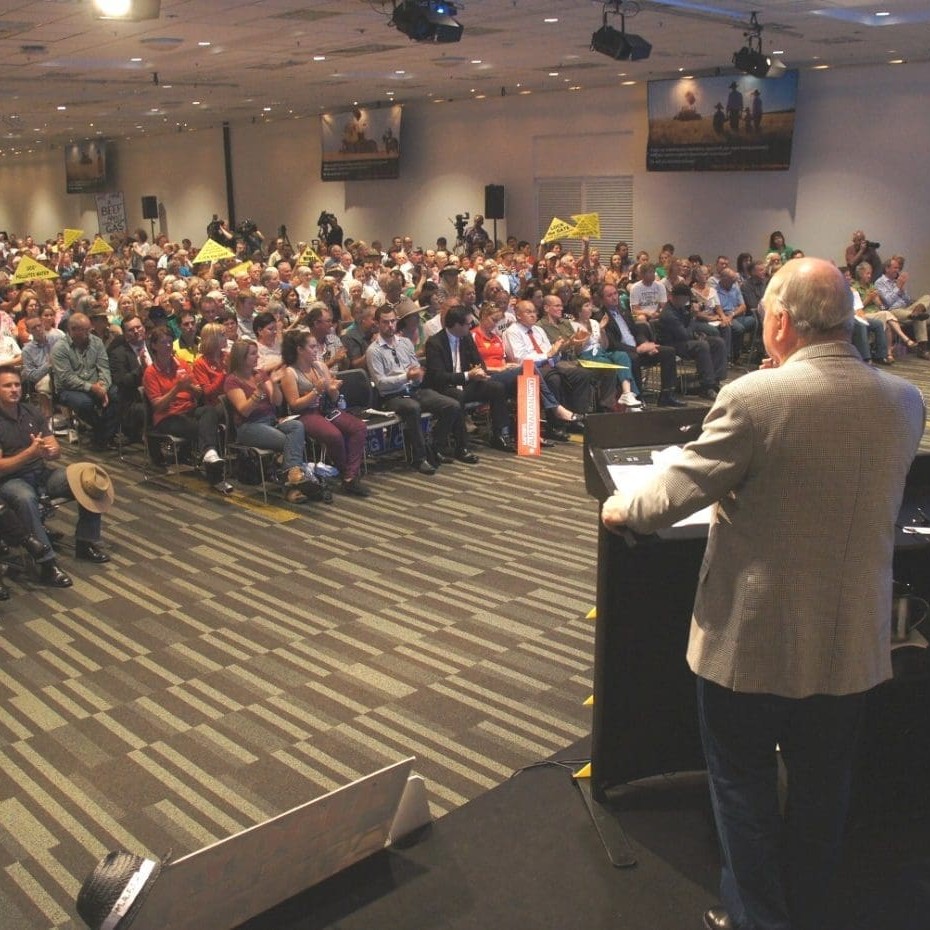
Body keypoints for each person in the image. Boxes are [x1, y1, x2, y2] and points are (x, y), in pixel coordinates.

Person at [601, 257, 925, 930]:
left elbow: (670, 495)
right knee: (822, 791)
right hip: (853, 642)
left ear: (778, 320)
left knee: (742, 790)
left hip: (755, 642)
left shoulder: (757, 397)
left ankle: (759, 920)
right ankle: (804, 911)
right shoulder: (905, 400)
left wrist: (620, 509)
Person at [0, 365, 115, 588]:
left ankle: (86, 541)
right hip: (11, 479)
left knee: (87, 476)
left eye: (16, 385)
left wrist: (50, 451)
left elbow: (54, 448)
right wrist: (29, 454)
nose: (13, 389)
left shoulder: (31, 411)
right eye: (7, 386)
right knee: (25, 499)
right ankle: (47, 563)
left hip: (42, 473)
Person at [365, 304, 470, 474]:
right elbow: (381, 383)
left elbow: (415, 367)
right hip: (392, 396)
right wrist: (407, 376)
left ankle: (434, 447)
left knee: (452, 405)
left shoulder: (405, 343)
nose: (390, 325)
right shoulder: (373, 351)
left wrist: (418, 375)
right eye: (385, 322)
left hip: (414, 389)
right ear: (377, 323)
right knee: (413, 408)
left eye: (392, 321)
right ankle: (419, 457)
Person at [224, 340, 323, 504]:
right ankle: (293, 482)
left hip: (271, 421)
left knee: (297, 426)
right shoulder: (232, 381)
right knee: (290, 442)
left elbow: (276, 402)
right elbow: (244, 410)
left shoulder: (260, 374)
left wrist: (275, 385)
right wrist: (259, 392)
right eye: (253, 353)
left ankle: (293, 479)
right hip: (249, 426)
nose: (257, 357)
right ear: (241, 357)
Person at [279, 329, 370, 497]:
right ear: (300, 349)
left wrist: (333, 390)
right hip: (306, 414)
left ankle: (350, 475)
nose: (317, 350)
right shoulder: (289, 373)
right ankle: (346, 474)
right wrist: (315, 391)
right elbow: (294, 405)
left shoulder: (320, 366)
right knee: (334, 435)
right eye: (312, 347)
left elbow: (333, 397)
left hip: (325, 408)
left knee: (359, 428)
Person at [142, 326, 228, 491]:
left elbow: (198, 393)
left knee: (209, 410)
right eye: (163, 342)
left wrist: (189, 388)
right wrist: (177, 388)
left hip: (188, 409)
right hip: (167, 416)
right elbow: (157, 405)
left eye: (169, 342)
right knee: (204, 429)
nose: (168, 346)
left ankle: (210, 455)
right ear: (154, 346)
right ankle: (215, 471)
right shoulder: (151, 372)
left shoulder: (181, 364)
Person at [423, 304, 516, 452]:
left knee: (496, 387)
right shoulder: (435, 343)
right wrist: (468, 375)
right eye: (468, 324)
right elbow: (438, 376)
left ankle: (499, 435)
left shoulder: (465, 337)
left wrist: (480, 372)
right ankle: (462, 445)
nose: (471, 326)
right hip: (444, 387)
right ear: (456, 325)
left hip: (466, 383)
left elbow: (479, 362)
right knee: (457, 396)